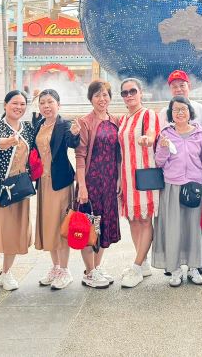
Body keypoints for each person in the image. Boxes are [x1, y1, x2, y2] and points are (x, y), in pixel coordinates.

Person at [0, 90, 35, 297]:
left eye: (22, 104)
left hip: (19, 189)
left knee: (13, 232)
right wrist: (9, 142)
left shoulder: (28, 128)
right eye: (14, 103)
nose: (19, 107)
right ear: (5, 105)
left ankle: (6, 273)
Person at [153, 96, 202, 286]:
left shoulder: (200, 135)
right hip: (172, 187)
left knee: (194, 229)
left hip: (194, 187)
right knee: (173, 229)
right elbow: (159, 162)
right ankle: (175, 268)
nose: (179, 113)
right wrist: (163, 149)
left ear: (189, 112)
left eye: (183, 109)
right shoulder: (165, 134)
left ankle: (194, 267)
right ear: (171, 113)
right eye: (176, 109)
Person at [73, 80, 121, 289]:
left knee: (104, 227)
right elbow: (80, 156)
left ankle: (97, 267)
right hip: (91, 182)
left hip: (109, 183)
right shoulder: (85, 122)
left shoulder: (115, 120)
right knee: (89, 226)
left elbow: (118, 154)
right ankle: (89, 271)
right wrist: (82, 186)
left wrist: (119, 178)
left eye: (105, 95)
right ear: (90, 99)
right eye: (97, 95)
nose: (102, 99)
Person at [116, 78, 162, 288]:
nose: (129, 96)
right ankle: (142, 263)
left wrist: (148, 139)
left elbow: (152, 134)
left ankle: (136, 266)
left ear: (141, 93)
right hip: (127, 176)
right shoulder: (123, 119)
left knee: (144, 219)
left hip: (144, 174)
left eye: (132, 91)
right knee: (133, 219)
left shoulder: (148, 114)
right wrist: (119, 177)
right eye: (124, 93)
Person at [34, 89, 80, 291]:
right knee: (49, 225)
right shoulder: (38, 124)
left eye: (50, 102)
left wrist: (76, 134)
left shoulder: (65, 125)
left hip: (60, 183)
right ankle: (55, 267)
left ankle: (65, 270)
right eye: (42, 102)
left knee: (62, 225)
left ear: (58, 105)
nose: (46, 106)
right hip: (43, 182)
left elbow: (72, 142)